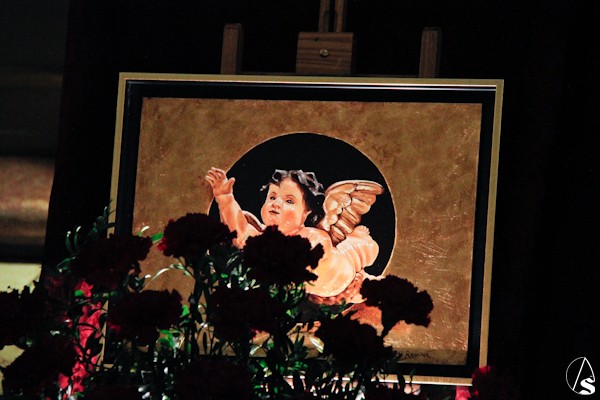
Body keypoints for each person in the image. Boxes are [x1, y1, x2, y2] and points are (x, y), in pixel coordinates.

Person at [205, 167, 380, 304]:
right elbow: (240, 232)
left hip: (347, 271)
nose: (276, 204)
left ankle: (359, 238)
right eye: (272, 197)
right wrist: (225, 197)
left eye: (289, 201)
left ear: (306, 212)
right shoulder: (265, 239)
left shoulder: (314, 237)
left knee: (366, 249)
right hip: (322, 294)